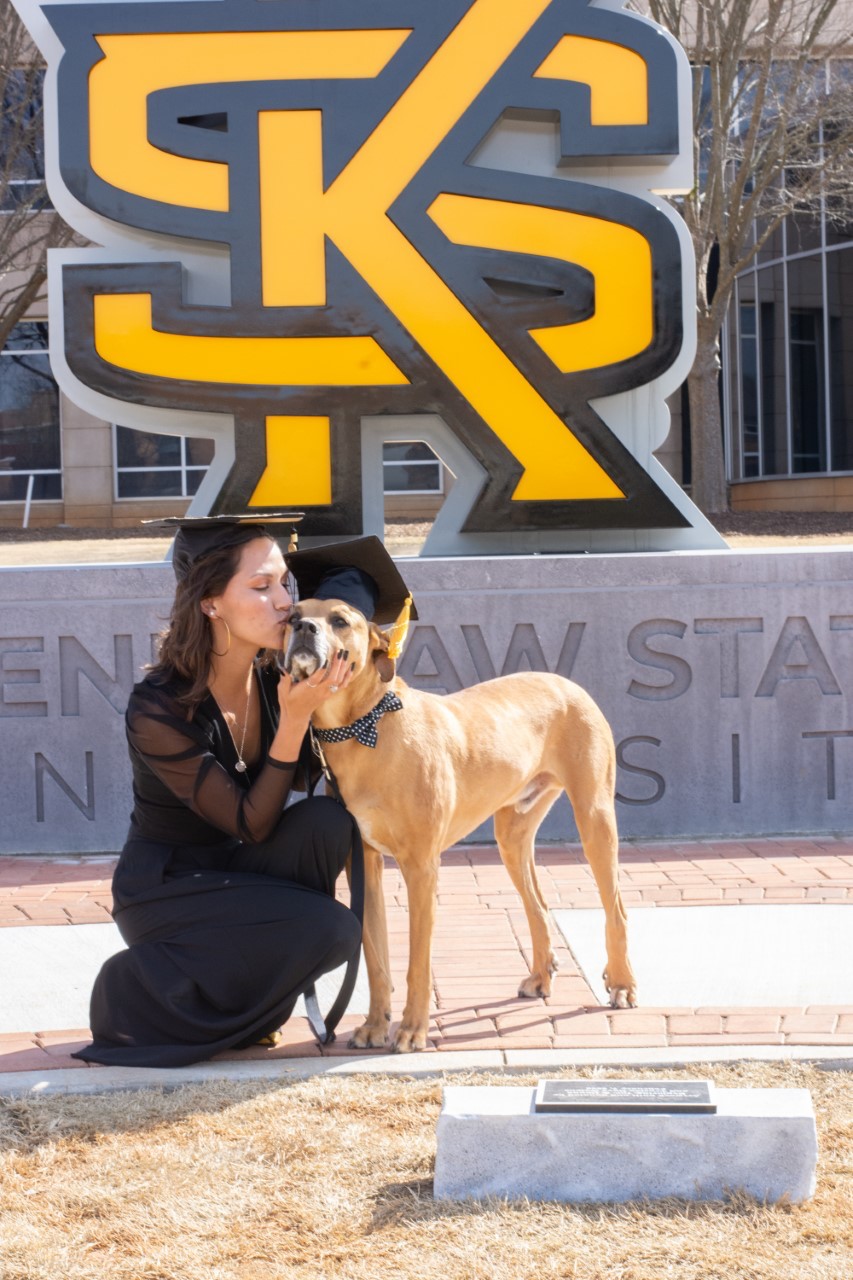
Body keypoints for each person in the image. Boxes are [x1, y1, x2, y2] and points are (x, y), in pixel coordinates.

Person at [74, 515, 370, 1069]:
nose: (283, 601)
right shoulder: (158, 707)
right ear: (211, 603)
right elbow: (251, 822)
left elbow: (311, 778)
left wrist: (349, 695)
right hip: (169, 889)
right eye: (261, 587)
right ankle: (147, 991)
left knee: (327, 824)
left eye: (285, 583)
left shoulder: (271, 675)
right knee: (331, 929)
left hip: (241, 870)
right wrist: (293, 719)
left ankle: (253, 1013)